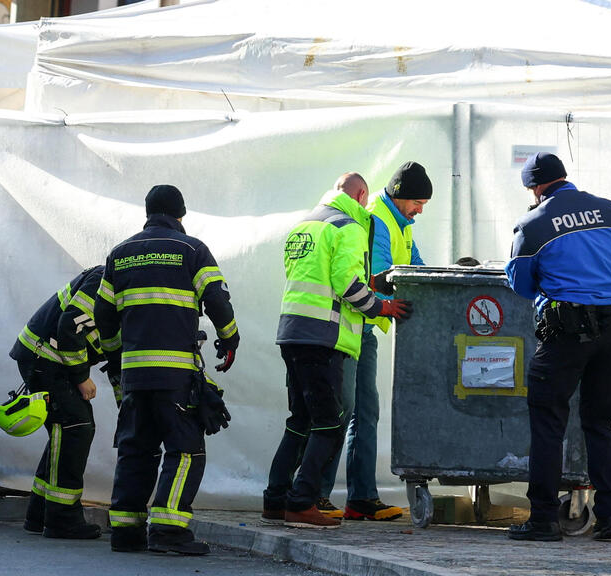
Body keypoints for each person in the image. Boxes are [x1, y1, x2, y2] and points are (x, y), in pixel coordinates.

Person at [505, 153, 611, 542]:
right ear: (564, 178)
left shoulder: (533, 224)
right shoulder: (610, 210)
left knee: (548, 421)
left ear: (534, 188)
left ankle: (543, 520)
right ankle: (610, 518)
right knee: (600, 424)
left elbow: (520, 283)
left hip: (565, 334)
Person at [94, 185, 239, 555]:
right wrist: (229, 340)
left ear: (147, 213)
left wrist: (116, 360)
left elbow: (103, 317)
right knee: (186, 450)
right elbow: (217, 301)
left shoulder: (120, 254)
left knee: (135, 449)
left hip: (134, 376)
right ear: (181, 214)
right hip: (175, 374)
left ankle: (126, 532)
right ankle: (168, 531)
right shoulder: (192, 250)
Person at [263, 173, 412, 529]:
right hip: (323, 337)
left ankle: (275, 500)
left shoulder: (307, 225)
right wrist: (382, 307)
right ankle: (301, 502)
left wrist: (371, 283)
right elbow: (346, 284)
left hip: (292, 331)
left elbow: (317, 276)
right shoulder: (350, 226)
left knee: (300, 422)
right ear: (362, 195)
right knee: (330, 423)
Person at [317, 161, 432, 522]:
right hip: (349, 327)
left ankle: (361, 498)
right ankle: (314, 495)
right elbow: (378, 277)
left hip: (364, 328)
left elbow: (414, 265)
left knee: (365, 411)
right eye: (417, 202)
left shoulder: (402, 222)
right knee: (342, 411)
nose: (420, 210)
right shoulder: (378, 219)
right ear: (399, 196)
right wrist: (391, 303)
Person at [9, 264, 119, 540]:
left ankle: (40, 513)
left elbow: (118, 358)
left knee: (67, 430)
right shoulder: (109, 280)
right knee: (76, 427)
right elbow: (70, 325)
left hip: (46, 358)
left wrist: (126, 406)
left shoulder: (131, 293)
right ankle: (61, 518)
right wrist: (82, 377)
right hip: (44, 357)